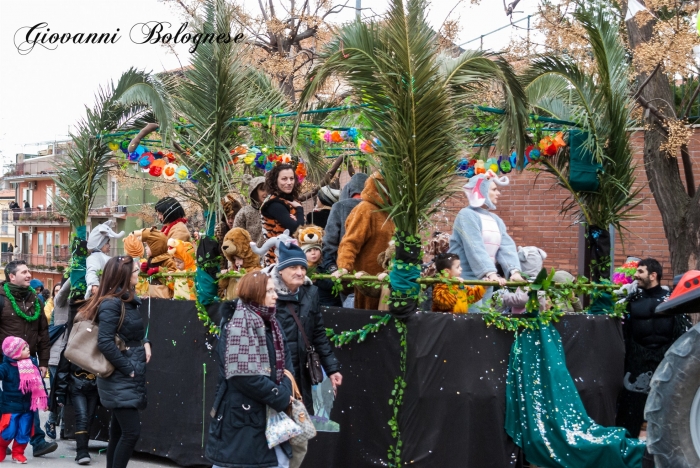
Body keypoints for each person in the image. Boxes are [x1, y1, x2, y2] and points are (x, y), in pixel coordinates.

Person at [205, 271, 295, 468]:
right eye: (270, 290)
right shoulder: (237, 325)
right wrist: (280, 396)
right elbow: (243, 377)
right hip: (241, 421)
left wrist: (285, 391)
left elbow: (287, 360)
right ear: (255, 293)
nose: (276, 295)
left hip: (269, 415)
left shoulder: (272, 322)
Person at [265, 243, 342, 468]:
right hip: (274, 378)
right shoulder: (267, 293)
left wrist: (333, 368)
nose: (300, 272)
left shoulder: (310, 293)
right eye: (294, 267)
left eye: (303, 267)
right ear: (281, 269)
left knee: (299, 439)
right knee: (273, 438)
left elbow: (318, 333)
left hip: (302, 380)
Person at [77, 256, 151, 468]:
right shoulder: (112, 303)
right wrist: (127, 368)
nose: (138, 274)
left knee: (119, 432)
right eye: (136, 271)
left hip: (126, 374)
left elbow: (131, 332)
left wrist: (146, 342)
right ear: (124, 275)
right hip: (119, 375)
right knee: (130, 432)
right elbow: (105, 342)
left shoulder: (127, 302)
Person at [615, 258, 690, 437]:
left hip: (665, 360)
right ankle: (625, 451)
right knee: (630, 411)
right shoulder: (630, 300)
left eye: (640, 272)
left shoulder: (673, 299)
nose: (636, 276)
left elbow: (683, 331)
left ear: (653, 275)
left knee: (668, 407)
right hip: (637, 360)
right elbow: (622, 331)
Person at [0, 261, 57, 457]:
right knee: (6, 402)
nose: (28, 275)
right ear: (11, 277)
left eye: (28, 271)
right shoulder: (1, 299)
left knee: (31, 400)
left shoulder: (36, 300)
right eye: (24, 272)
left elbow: (43, 333)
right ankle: (4, 437)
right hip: (4, 362)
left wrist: (43, 362)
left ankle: (37, 441)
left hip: (28, 361)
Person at [448, 171, 524, 312]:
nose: (498, 193)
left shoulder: (496, 220)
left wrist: (514, 271)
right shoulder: (466, 215)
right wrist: (490, 273)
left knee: (483, 322)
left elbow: (506, 247)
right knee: (470, 323)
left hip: (486, 280)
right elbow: (474, 247)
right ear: (481, 191)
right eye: (494, 189)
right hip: (466, 280)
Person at [332, 173, 395, 310]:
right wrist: (344, 266)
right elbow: (350, 241)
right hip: (367, 281)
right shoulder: (365, 209)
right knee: (368, 322)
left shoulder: (388, 213)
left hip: (387, 280)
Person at [0, 337, 49, 464]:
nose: (28, 349)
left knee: (24, 431)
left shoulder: (31, 365)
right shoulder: (5, 367)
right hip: (10, 406)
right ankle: (1, 447)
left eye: (27, 347)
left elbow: (40, 384)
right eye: (24, 348)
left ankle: (18, 453)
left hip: (27, 406)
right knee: (8, 431)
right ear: (14, 352)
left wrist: (45, 400)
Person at [321, 173, 369, 275]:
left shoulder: (340, 207)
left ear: (348, 189)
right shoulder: (376, 209)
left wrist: (332, 267)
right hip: (370, 272)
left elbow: (329, 241)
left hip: (344, 270)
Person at [261, 164, 305, 266]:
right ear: (275, 180)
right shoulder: (274, 204)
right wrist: (299, 209)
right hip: (277, 259)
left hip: (289, 255)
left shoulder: (288, 201)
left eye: (291, 178)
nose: (289, 182)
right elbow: (298, 228)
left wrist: (297, 220)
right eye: (284, 179)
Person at [45, 279, 70, 442]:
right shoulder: (60, 302)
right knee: (56, 390)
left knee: (67, 390)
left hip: (72, 354)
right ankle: (51, 421)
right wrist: (79, 270)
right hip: (57, 355)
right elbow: (63, 291)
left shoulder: (82, 302)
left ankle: (62, 424)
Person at [85, 223, 125, 299]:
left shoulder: (105, 257)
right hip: (102, 296)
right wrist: (94, 285)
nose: (109, 245)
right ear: (100, 245)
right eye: (107, 243)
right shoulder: (93, 258)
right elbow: (91, 271)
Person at [233, 175, 267, 247]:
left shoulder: (275, 209)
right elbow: (236, 236)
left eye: (268, 189)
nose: (266, 192)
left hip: (272, 255)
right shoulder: (245, 212)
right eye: (262, 189)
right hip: (251, 256)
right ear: (254, 191)